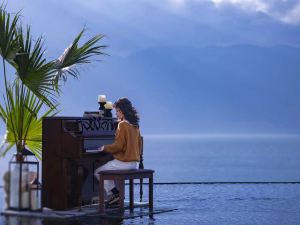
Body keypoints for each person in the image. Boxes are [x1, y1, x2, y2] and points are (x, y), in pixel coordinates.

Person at [94, 97, 141, 206]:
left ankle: (115, 194)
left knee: (97, 172)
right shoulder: (135, 125)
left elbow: (118, 146)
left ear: (122, 111)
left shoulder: (122, 124)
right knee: (106, 169)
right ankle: (114, 196)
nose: (116, 114)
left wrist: (104, 148)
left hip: (124, 163)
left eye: (117, 111)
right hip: (134, 164)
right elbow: (139, 144)